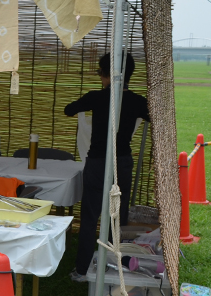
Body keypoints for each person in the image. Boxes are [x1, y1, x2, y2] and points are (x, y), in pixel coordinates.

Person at [64, 53, 150, 281]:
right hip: (121, 162)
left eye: (101, 72)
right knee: (118, 217)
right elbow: (154, 116)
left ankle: (82, 270)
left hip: (97, 162)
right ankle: (115, 267)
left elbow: (69, 109)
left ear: (106, 74)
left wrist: (91, 103)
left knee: (90, 216)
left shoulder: (96, 97)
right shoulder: (138, 101)